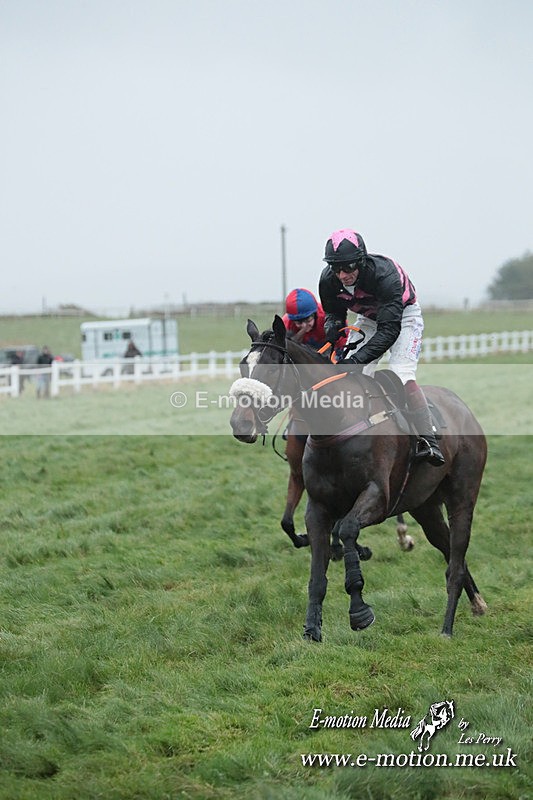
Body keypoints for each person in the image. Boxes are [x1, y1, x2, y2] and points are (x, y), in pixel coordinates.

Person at [319, 228, 445, 466]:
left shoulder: (385, 275)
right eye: (336, 268)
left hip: (402, 318)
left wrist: (357, 360)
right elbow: (333, 313)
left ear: (361, 261)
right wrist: (332, 326)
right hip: (368, 318)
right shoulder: (328, 279)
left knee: (401, 374)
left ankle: (428, 439)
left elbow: (389, 331)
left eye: (348, 267)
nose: (342, 275)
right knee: (350, 377)